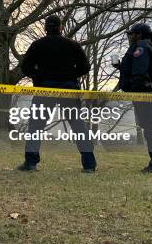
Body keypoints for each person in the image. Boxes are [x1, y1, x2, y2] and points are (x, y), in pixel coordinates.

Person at [18, 14, 97, 173]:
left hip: (44, 90)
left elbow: (25, 67)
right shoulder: (72, 45)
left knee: (36, 127)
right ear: (61, 27)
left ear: (46, 28)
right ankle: (89, 164)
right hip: (68, 89)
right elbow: (85, 67)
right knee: (79, 127)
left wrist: (38, 76)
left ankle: (31, 163)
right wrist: (71, 75)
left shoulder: (37, 45)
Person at [115, 23, 152, 173]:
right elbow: (140, 68)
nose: (130, 37)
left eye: (131, 34)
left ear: (139, 34)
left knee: (150, 128)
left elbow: (140, 72)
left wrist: (134, 90)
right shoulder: (149, 45)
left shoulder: (141, 47)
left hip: (143, 92)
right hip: (150, 91)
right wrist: (122, 68)